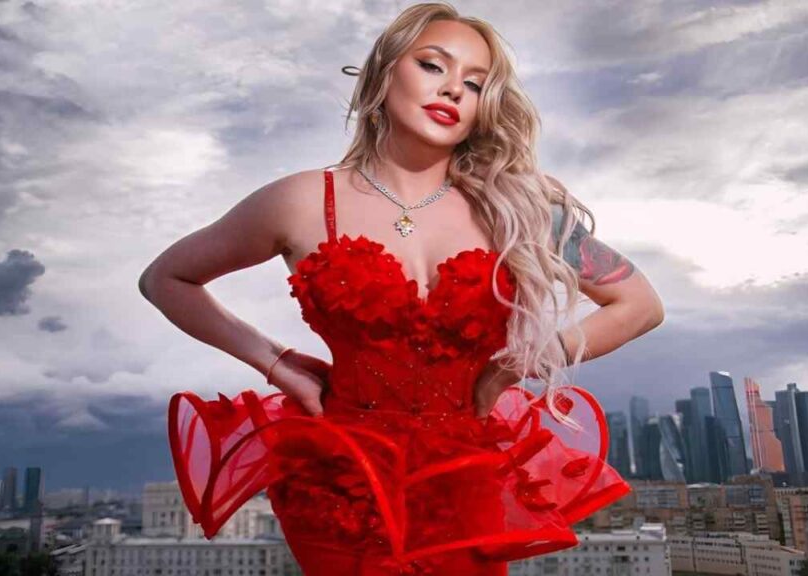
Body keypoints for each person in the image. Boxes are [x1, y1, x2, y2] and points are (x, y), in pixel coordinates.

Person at [138, 2, 664, 574]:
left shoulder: (520, 208)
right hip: (341, 485)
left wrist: (532, 357)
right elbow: (166, 278)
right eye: (433, 65)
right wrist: (276, 361)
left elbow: (639, 305)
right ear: (385, 71)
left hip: (463, 483)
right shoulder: (301, 201)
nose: (454, 90)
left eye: (475, 83)